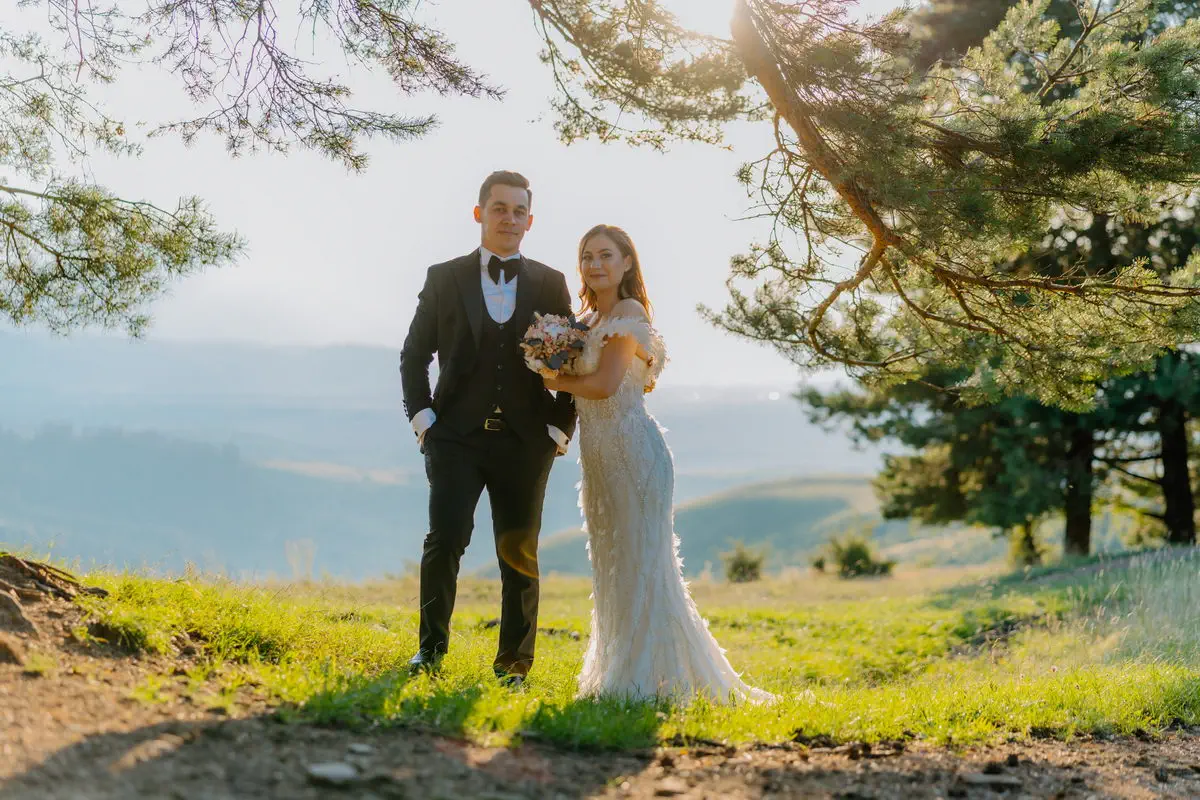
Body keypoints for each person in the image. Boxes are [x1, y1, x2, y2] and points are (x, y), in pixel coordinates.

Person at [543, 224, 771, 703]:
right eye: (587, 256)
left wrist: (551, 379)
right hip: (599, 459)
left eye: (606, 255)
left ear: (627, 262)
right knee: (612, 562)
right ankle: (618, 673)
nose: (595, 264)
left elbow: (606, 386)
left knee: (642, 563)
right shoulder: (585, 319)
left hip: (633, 453)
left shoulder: (628, 313)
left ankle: (647, 680)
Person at [399, 170, 576, 688]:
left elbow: (570, 356)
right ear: (480, 213)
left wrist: (560, 426)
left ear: (530, 220)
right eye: (500, 208)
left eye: (519, 211)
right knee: (445, 540)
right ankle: (429, 653)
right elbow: (414, 355)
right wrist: (423, 418)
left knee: (518, 551)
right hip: (454, 435)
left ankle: (515, 667)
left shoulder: (549, 282)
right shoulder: (444, 277)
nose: (509, 219)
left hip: (526, 440)